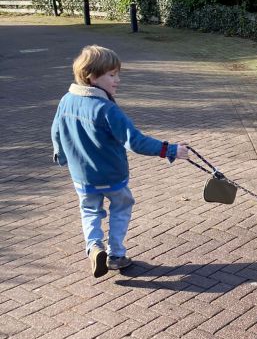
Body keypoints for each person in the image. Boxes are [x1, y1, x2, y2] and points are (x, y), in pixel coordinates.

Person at [51, 45, 188, 278]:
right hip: (113, 176)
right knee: (121, 208)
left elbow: (56, 131)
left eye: (117, 74)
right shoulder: (106, 109)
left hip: (82, 177)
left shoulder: (66, 101)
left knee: (90, 211)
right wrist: (170, 150)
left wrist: (62, 157)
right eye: (112, 75)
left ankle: (94, 247)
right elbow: (134, 141)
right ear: (91, 76)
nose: (118, 80)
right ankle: (116, 255)